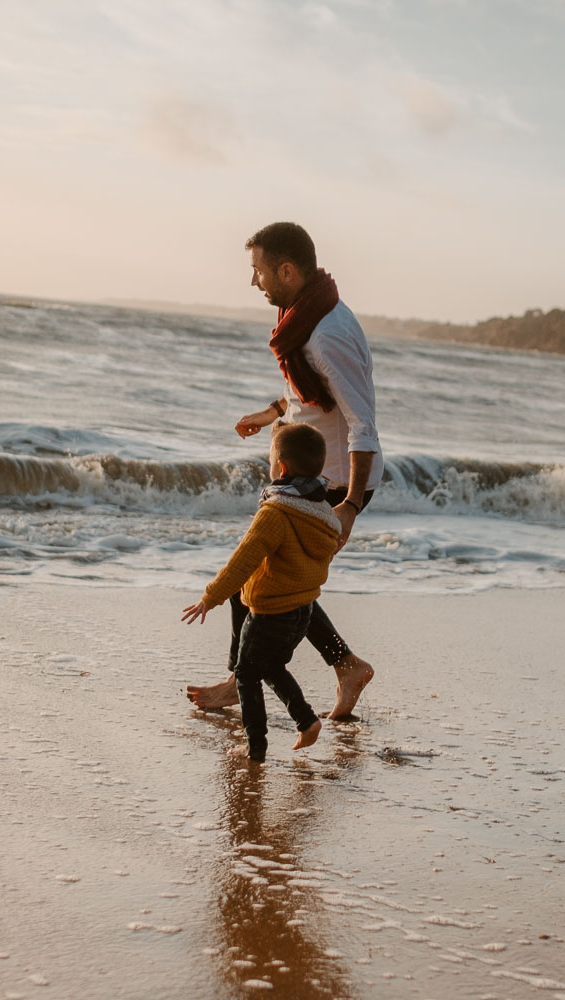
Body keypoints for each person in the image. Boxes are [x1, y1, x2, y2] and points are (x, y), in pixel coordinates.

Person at [186, 222, 382, 719]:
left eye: (259, 271)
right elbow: (313, 394)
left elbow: (362, 425)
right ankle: (344, 667)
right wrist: (272, 413)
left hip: (330, 480)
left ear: (288, 270)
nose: (256, 283)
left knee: (262, 576)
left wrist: (351, 506)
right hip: (314, 474)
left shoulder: (326, 333)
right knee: (283, 583)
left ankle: (242, 678)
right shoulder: (312, 312)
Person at [181, 423, 336, 761]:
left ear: (281, 468)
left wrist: (211, 596)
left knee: (247, 674)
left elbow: (243, 560)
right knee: (271, 667)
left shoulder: (277, 512)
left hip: (270, 613)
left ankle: (255, 748)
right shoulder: (322, 512)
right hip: (303, 612)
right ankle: (306, 721)